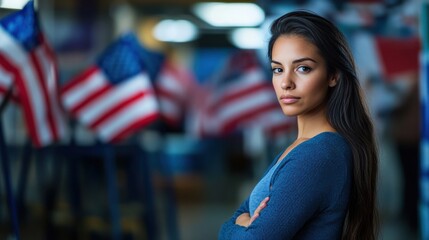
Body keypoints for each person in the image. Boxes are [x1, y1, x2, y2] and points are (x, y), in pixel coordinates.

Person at [218, 10, 378, 240]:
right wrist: (243, 221)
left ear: (333, 75)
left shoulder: (317, 154)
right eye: (278, 69)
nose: (286, 83)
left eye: (303, 68)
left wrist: (236, 226)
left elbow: (245, 232)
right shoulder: (303, 146)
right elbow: (241, 212)